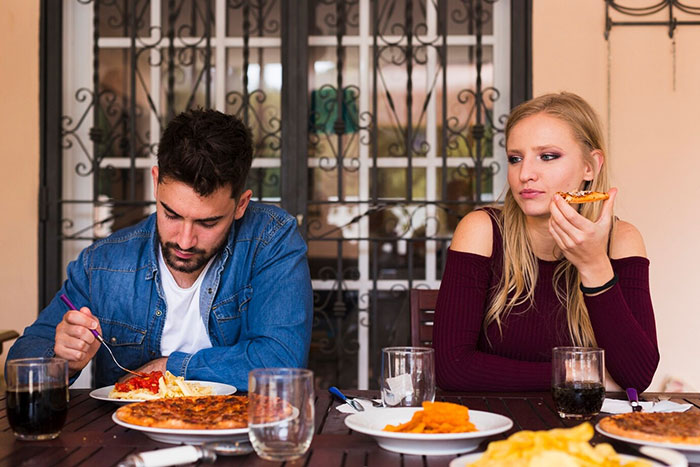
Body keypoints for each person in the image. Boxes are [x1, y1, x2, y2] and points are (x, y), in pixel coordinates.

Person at [7, 109, 313, 390]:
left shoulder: (270, 239)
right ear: (156, 183)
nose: (184, 240)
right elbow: (21, 359)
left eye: (208, 223)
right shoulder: (102, 263)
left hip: (239, 438)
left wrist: (169, 367)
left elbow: (281, 362)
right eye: (172, 214)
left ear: (241, 204)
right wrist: (61, 357)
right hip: (126, 443)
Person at [433, 92, 659, 392]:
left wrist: (594, 266)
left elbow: (636, 379)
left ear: (590, 166)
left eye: (548, 156)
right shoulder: (481, 231)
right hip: (494, 426)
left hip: (585, 431)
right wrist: (580, 376)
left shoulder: (622, 240)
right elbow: (453, 368)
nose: (525, 174)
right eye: (515, 159)